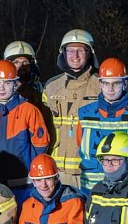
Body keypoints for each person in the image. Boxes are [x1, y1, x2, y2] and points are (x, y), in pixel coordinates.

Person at [76, 57, 128, 195]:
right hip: (91, 191)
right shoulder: (85, 114)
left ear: (125, 83)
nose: (111, 88)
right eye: (106, 83)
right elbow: (80, 145)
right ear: (100, 84)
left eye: (116, 83)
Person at [0, 60, 49, 203]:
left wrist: (31, 172)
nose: (2, 88)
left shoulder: (29, 110)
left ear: (15, 83)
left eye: (7, 83)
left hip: (24, 184)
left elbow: (41, 145)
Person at [41, 29, 101, 189]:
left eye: (81, 50)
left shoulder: (101, 87)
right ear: (63, 54)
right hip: (56, 172)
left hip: (90, 172)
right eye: (70, 51)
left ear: (89, 53)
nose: (75, 55)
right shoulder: (51, 88)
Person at [3, 40, 45, 114]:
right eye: (16, 62)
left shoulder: (41, 90)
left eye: (25, 62)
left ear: (31, 65)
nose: (21, 66)